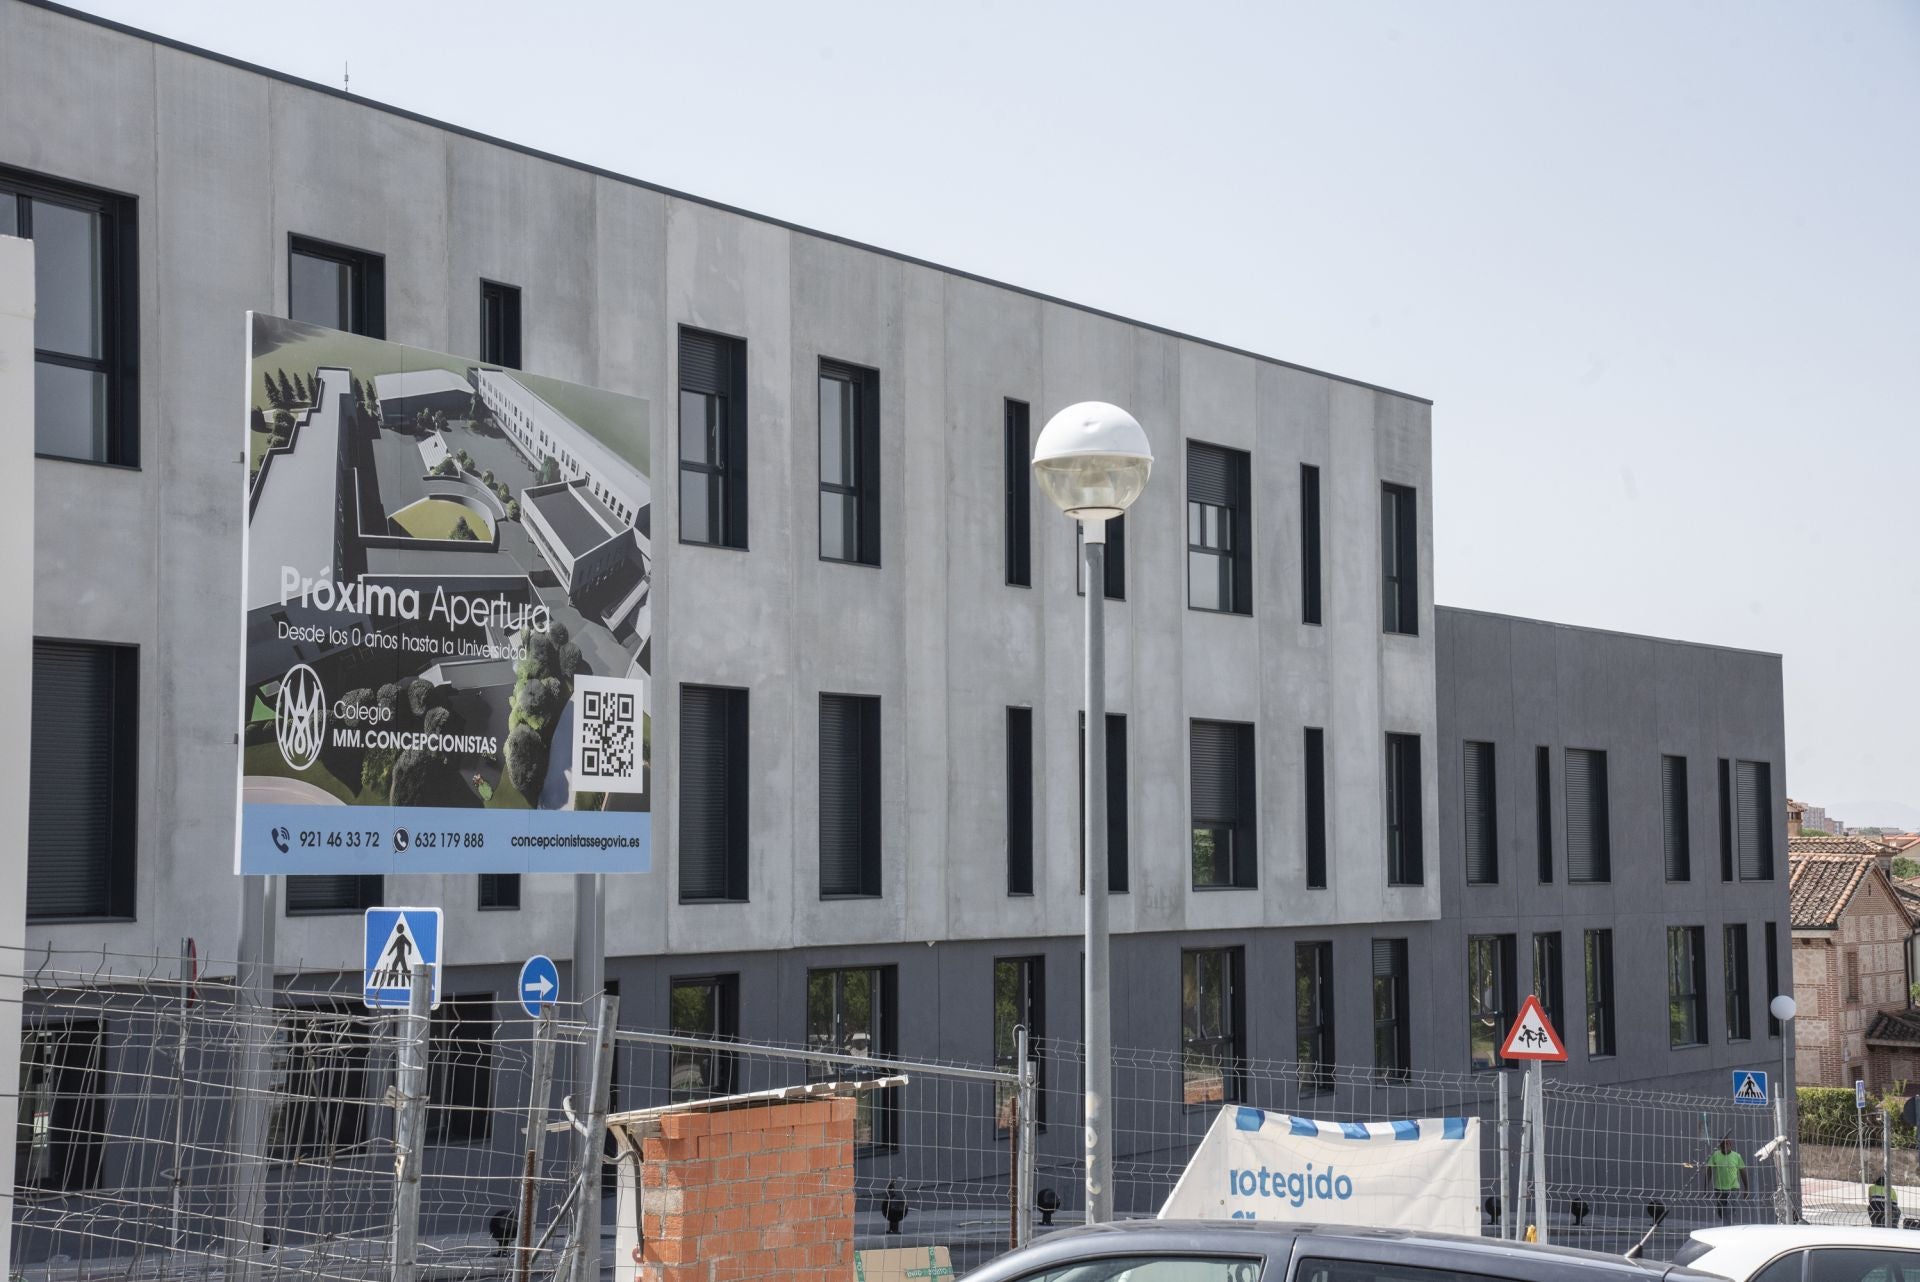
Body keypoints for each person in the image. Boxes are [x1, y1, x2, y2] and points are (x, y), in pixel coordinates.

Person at [1707, 1136, 1748, 1224]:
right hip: (1719, 1189)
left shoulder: (1737, 1156)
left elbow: (1743, 1172)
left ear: (1731, 1145)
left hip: (1733, 1189)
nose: (1725, 1146)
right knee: (1721, 1212)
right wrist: (1706, 1187)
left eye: (1727, 1144)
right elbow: (1709, 1171)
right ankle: (1726, 1223)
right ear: (1719, 1146)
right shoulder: (1715, 1155)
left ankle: (1728, 1227)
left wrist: (1746, 1189)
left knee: (1729, 1212)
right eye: (1723, 1144)